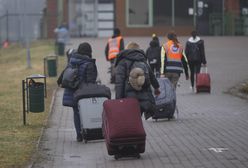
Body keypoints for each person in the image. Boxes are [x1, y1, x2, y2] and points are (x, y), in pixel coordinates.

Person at [58, 42, 98, 142]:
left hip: (73, 92)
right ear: (89, 52)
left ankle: (79, 135)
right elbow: (91, 81)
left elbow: (64, 74)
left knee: (76, 112)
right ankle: (88, 133)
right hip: (84, 93)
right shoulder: (89, 63)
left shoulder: (72, 60)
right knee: (85, 113)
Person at [115, 42, 160, 120]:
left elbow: (119, 83)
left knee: (131, 120)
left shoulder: (122, 62)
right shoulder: (142, 61)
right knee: (138, 119)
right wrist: (157, 88)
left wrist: (118, 100)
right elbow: (152, 76)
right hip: (144, 98)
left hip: (129, 98)